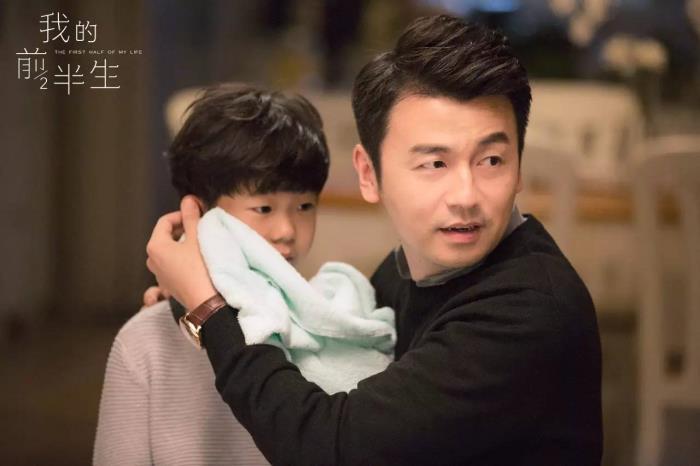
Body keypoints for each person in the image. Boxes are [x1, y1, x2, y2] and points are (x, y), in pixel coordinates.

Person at [145, 14, 603, 466]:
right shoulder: (414, 267)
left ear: (520, 167)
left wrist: (210, 310)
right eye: (435, 164)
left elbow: (330, 447)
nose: (466, 196)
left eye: (491, 161)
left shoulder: (528, 310)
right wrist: (202, 290)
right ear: (369, 173)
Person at [94, 82, 332, 465]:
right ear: (199, 212)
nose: (287, 230)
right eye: (264, 209)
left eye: (304, 206)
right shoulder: (146, 342)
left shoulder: (328, 326)